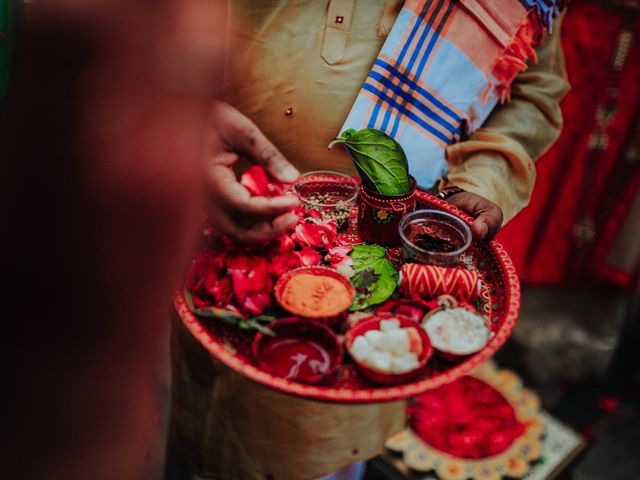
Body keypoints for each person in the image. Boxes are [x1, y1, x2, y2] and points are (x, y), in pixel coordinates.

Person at [169, 2, 570, 480]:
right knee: (170, 414)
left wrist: (486, 176)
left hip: (383, 275)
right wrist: (182, 120)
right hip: (203, 220)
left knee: (318, 447)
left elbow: (533, 85)